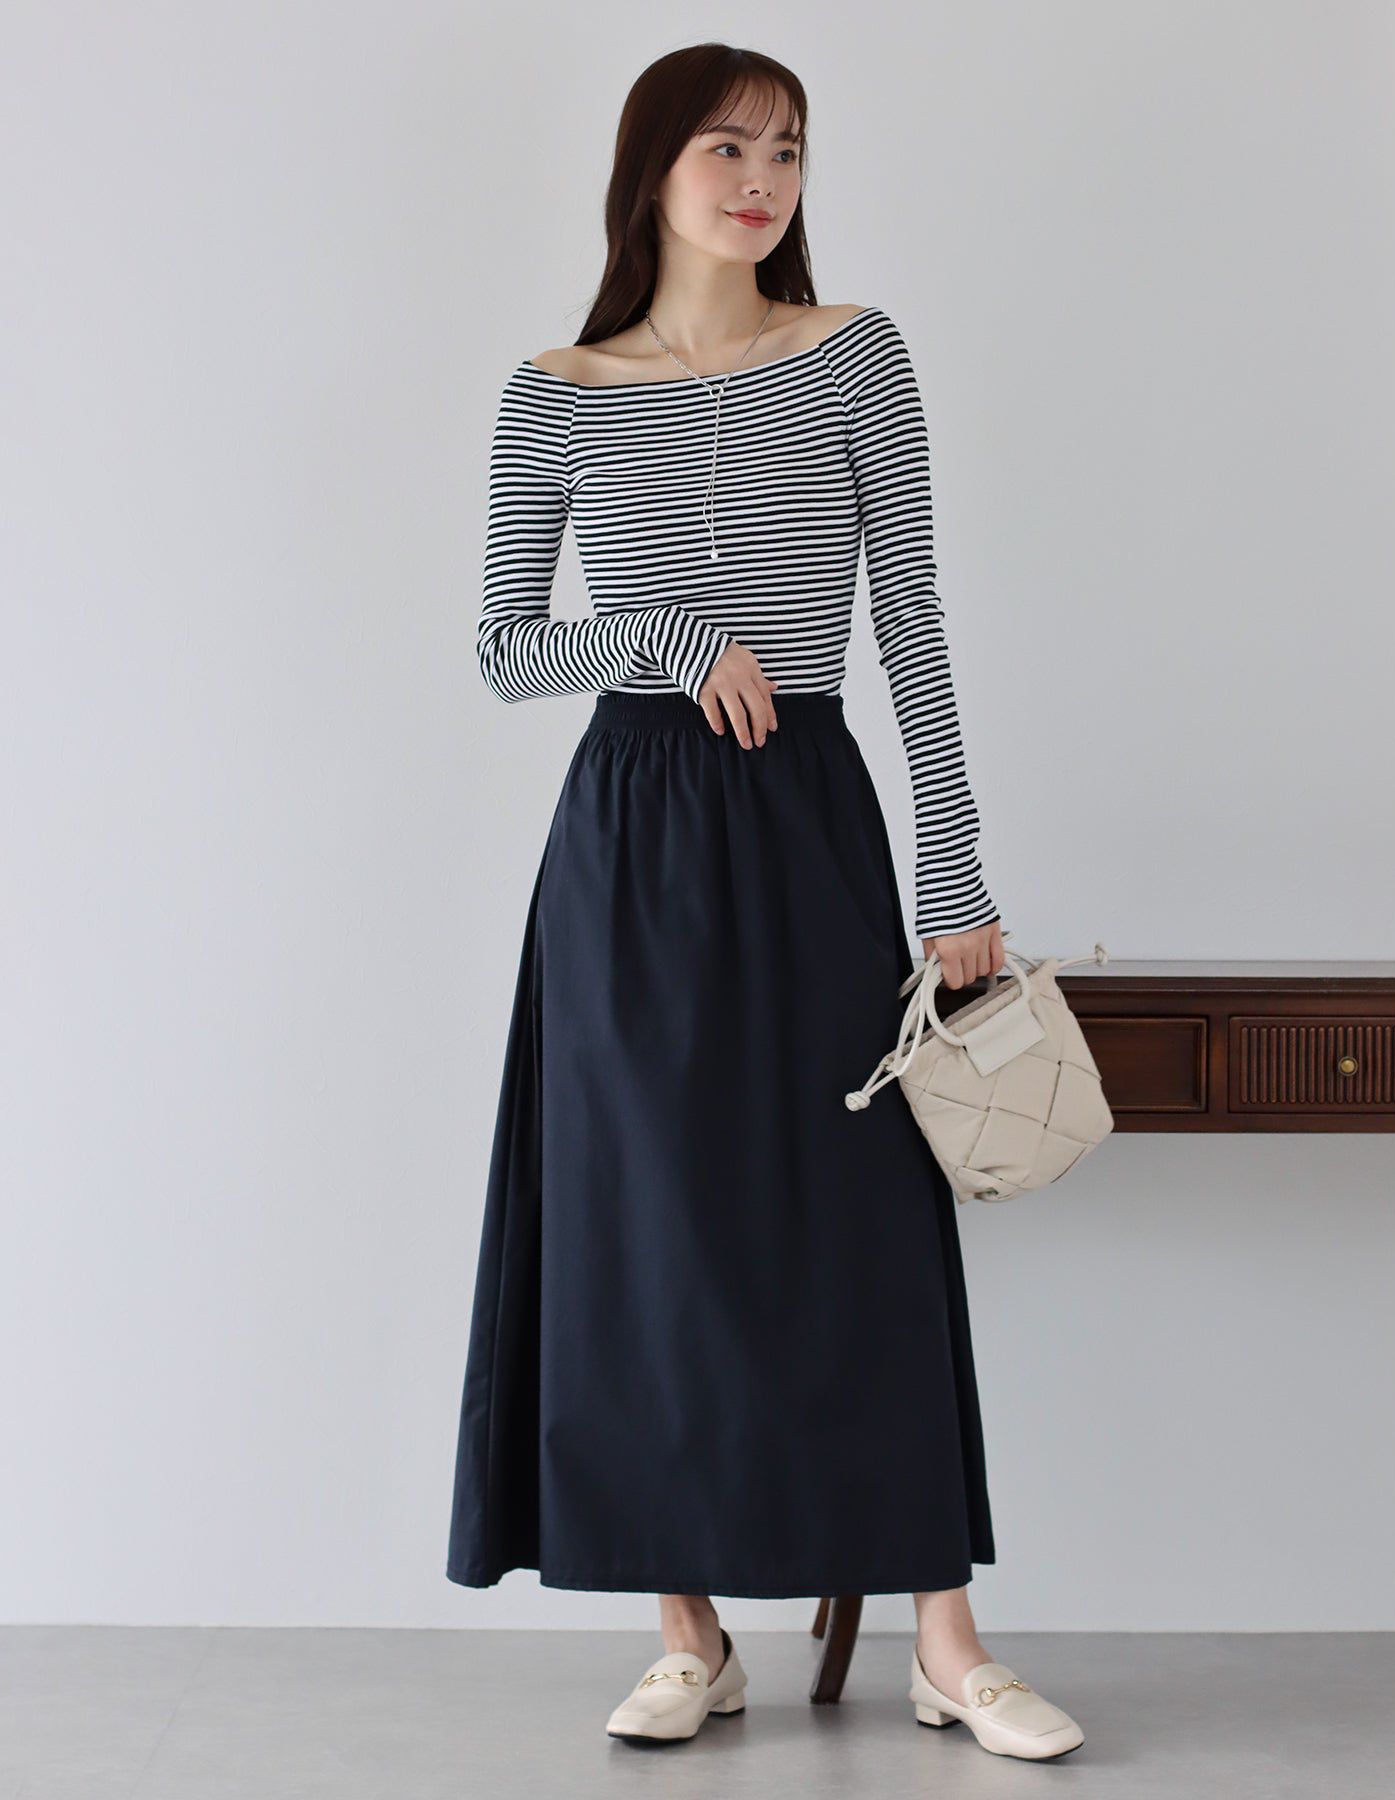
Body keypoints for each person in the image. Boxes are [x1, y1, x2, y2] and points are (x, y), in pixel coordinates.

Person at [445, 41, 1084, 1763]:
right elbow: (504, 650)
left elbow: (913, 624)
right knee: (648, 1227)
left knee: (866, 1225)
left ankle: (945, 1642)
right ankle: (688, 1634)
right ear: (652, 168)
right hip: (633, 840)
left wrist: (954, 879)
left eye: (788, 152)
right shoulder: (555, 389)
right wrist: (662, 638)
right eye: (727, 148)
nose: (761, 181)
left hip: (811, 818)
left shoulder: (854, 354)